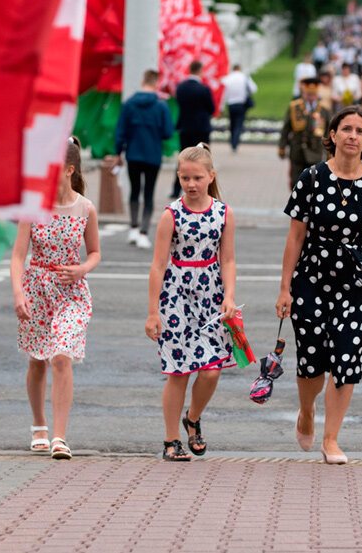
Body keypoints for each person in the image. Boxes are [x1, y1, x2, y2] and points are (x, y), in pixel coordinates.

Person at [275, 105, 362, 464]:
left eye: (360, 131)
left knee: (347, 357)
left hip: (356, 283)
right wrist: (285, 288)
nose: (352, 136)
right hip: (311, 278)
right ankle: (307, 410)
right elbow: (295, 236)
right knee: (312, 358)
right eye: (346, 129)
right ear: (333, 134)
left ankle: (331, 439)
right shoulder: (311, 178)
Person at [10, 137, 101, 460]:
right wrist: (19, 293)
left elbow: (95, 252)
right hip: (36, 289)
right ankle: (39, 426)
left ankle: (59, 437)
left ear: (68, 170)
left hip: (71, 293)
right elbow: (18, 256)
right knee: (38, 360)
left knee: (61, 355)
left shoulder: (85, 208)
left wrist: (82, 269)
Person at [145, 144, 237, 462]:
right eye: (185, 178)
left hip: (211, 295)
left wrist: (229, 296)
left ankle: (193, 418)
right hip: (175, 297)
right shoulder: (171, 215)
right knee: (179, 371)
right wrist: (153, 312)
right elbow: (158, 265)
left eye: (197, 177)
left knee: (211, 371)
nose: (191, 184)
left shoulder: (223, 213)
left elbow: (228, 260)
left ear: (211, 176)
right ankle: (171, 440)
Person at [115, 69, 174, 248]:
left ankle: (133, 227)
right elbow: (168, 132)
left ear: (142, 82)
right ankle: (144, 232)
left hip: (133, 153)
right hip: (152, 154)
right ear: (156, 83)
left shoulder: (129, 104)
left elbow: (120, 131)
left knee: (134, 190)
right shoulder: (161, 106)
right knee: (149, 192)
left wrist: (118, 153)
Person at [172, 61, 215, 198]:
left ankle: (176, 189)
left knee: (183, 159)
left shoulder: (181, 88)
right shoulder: (204, 89)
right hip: (201, 129)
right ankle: (204, 189)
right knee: (203, 159)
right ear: (200, 70)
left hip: (185, 127)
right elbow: (211, 109)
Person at [279, 77, 332, 187]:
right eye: (308, 94)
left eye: (313, 95)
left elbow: (328, 132)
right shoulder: (294, 107)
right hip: (297, 152)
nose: (311, 97)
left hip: (315, 152)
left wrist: (329, 152)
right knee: (296, 182)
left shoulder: (324, 109)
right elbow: (286, 129)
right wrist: (282, 147)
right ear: (304, 93)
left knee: (314, 184)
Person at [220, 64, 258, 152]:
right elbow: (254, 89)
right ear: (240, 69)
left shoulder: (228, 78)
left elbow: (223, 94)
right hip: (241, 103)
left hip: (231, 104)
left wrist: (221, 107)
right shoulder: (244, 77)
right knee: (239, 124)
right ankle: (235, 142)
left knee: (232, 123)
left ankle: (232, 140)